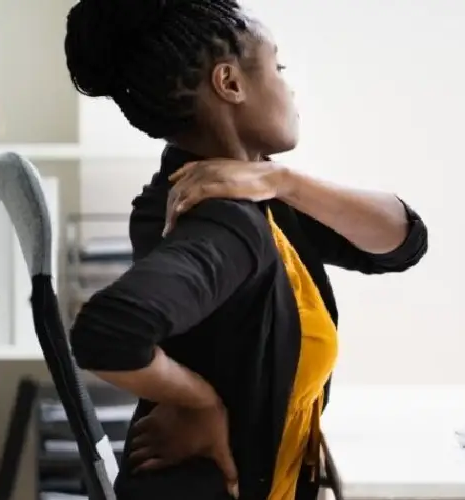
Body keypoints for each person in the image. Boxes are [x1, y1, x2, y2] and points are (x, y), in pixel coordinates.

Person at [62, 1, 429, 499]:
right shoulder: (223, 219)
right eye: (277, 66)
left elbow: (400, 242)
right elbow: (108, 331)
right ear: (230, 83)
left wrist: (280, 179)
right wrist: (200, 403)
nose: (289, 86)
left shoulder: (251, 198)